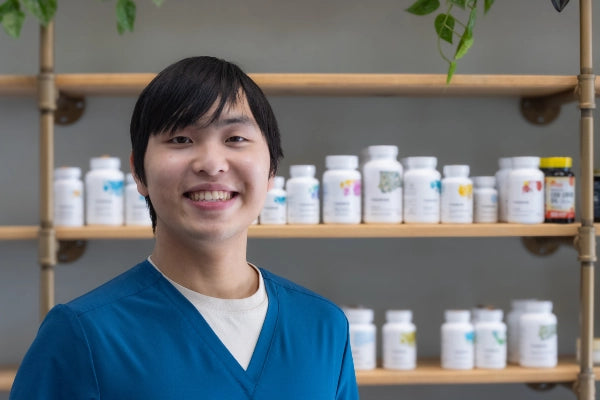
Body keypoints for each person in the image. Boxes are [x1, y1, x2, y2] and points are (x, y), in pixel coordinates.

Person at [10, 56, 359, 399]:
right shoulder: (82, 335)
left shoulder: (324, 326)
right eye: (180, 139)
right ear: (138, 172)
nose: (211, 164)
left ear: (271, 170)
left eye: (235, 138)